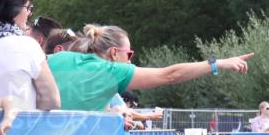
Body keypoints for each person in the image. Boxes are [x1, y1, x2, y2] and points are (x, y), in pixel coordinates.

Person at [48, 24, 252, 111]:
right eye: (129, 55)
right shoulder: (113, 71)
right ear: (113, 53)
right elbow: (170, 75)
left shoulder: (58, 58)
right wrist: (216, 64)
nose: (129, 61)